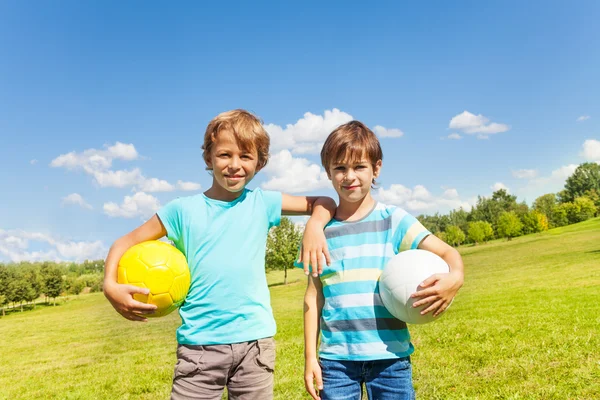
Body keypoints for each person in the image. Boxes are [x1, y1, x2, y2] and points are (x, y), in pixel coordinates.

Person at [103, 109, 335, 400]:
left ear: (259, 162)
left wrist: (314, 225)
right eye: (225, 155)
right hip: (199, 351)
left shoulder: (262, 203)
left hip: (255, 347)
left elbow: (325, 201)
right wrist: (109, 285)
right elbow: (123, 242)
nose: (234, 165)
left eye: (246, 156)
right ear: (208, 158)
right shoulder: (180, 211)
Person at [302, 121, 464, 400]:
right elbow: (312, 298)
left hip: (391, 358)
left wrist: (456, 277)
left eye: (359, 167)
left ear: (376, 168)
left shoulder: (393, 220)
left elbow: (449, 254)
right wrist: (309, 358)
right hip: (336, 362)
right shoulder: (320, 233)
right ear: (328, 172)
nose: (349, 176)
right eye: (340, 168)